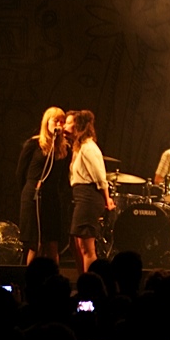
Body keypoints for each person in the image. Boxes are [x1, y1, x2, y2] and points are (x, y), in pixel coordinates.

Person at [17, 106, 69, 264]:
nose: (59, 125)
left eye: (62, 122)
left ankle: (53, 275)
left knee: (52, 245)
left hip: (52, 199)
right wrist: (28, 191)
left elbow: (64, 178)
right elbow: (20, 173)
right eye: (56, 121)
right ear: (47, 122)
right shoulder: (34, 144)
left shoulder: (65, 148)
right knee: (36, 244)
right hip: (34, 196)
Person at [65, 110, 115, 273]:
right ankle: (83, 277)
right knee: (75, 244)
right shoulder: (79, 148)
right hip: (80, 196)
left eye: (69, 123)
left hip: (89, 197)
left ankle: (91, 281)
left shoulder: (88, 148)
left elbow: (100, 176)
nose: (65, 126)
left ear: (78, 126)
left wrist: (107, 199)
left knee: (86, 246)